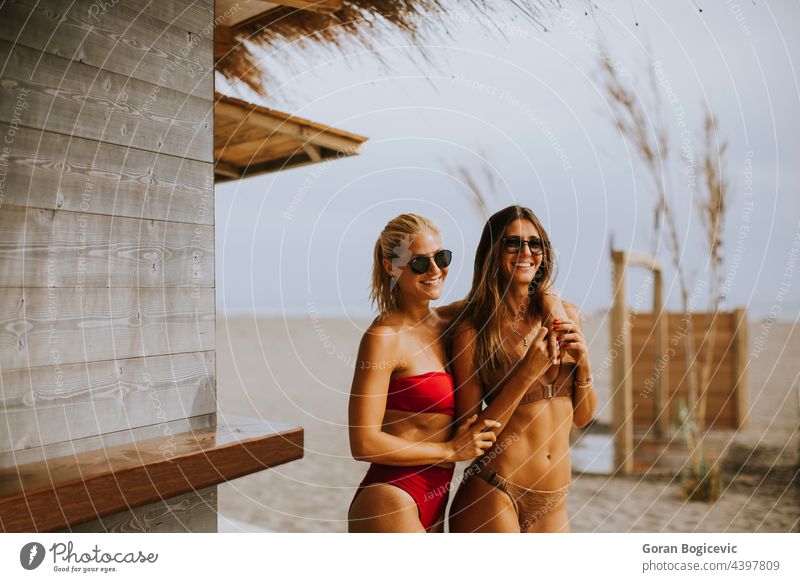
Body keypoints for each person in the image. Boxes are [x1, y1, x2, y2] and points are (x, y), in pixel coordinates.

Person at [448, 205, 597, 533]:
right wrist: (526, 374)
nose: (525, 252)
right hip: (495, 489)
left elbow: (583, 418)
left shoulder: (565, 315)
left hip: (554, 501)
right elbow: (468, 433)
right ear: (492, 253)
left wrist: (584, 367)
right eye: (512, 243)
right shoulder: (474, 331)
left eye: (535, 243)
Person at [348, 213, 500, 532]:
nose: (435, 270)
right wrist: (449, 450)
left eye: (441, 257)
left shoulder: (450, 324)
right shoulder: (384, 338)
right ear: (392, 267)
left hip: (437, 499)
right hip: (391, 498)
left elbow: (504, 293)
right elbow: (363, 443)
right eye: (419, 263)